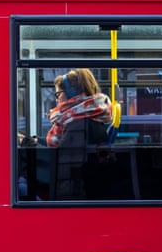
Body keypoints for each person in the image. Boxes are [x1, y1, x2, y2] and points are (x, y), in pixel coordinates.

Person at [18, 68, 112, 199]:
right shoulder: (85, 115)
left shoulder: (78, 122)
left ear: (71, 93)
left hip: (71, 191)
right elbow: (62, 145)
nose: (56, 100)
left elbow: (61, 159)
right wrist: (34, 141)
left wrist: (25, 143)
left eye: (58, 94)